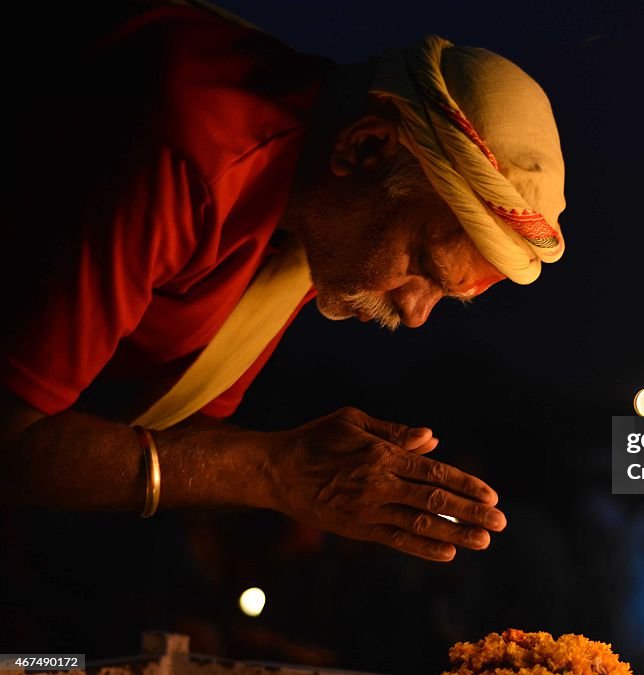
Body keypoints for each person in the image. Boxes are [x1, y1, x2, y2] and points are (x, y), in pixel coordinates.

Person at [0, 1, 566, 562]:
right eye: (424, 266)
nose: (416, 314)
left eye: (447, 296)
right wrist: (273, 471)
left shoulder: (318, 214)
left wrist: (313, 468)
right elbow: (11, 440)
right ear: (365, 147)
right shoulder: (193, 150)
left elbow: (188, 438)